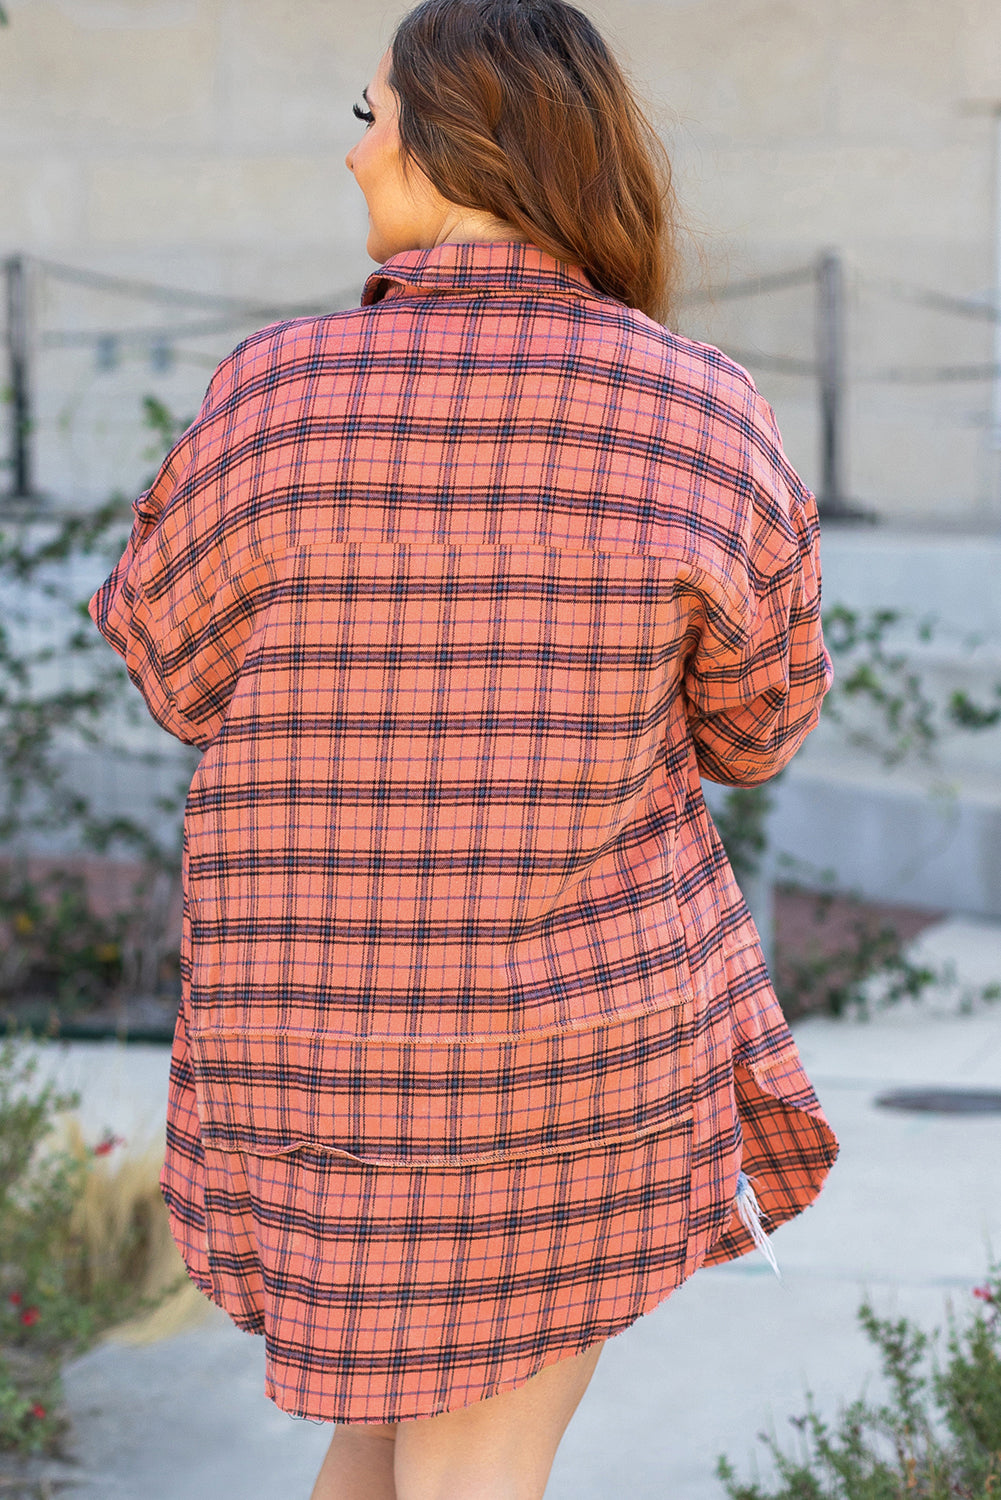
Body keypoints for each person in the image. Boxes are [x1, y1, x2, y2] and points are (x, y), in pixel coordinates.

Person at [88, 1, 839, 1496]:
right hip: (568, 1063)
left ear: (460, 142)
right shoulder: (698, 408)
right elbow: (759, 729)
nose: (354, 156)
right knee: (470, 1471)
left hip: (314, 1069)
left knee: (384, 1453)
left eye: (371, 119)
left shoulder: (276, 390)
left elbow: (170, 675)